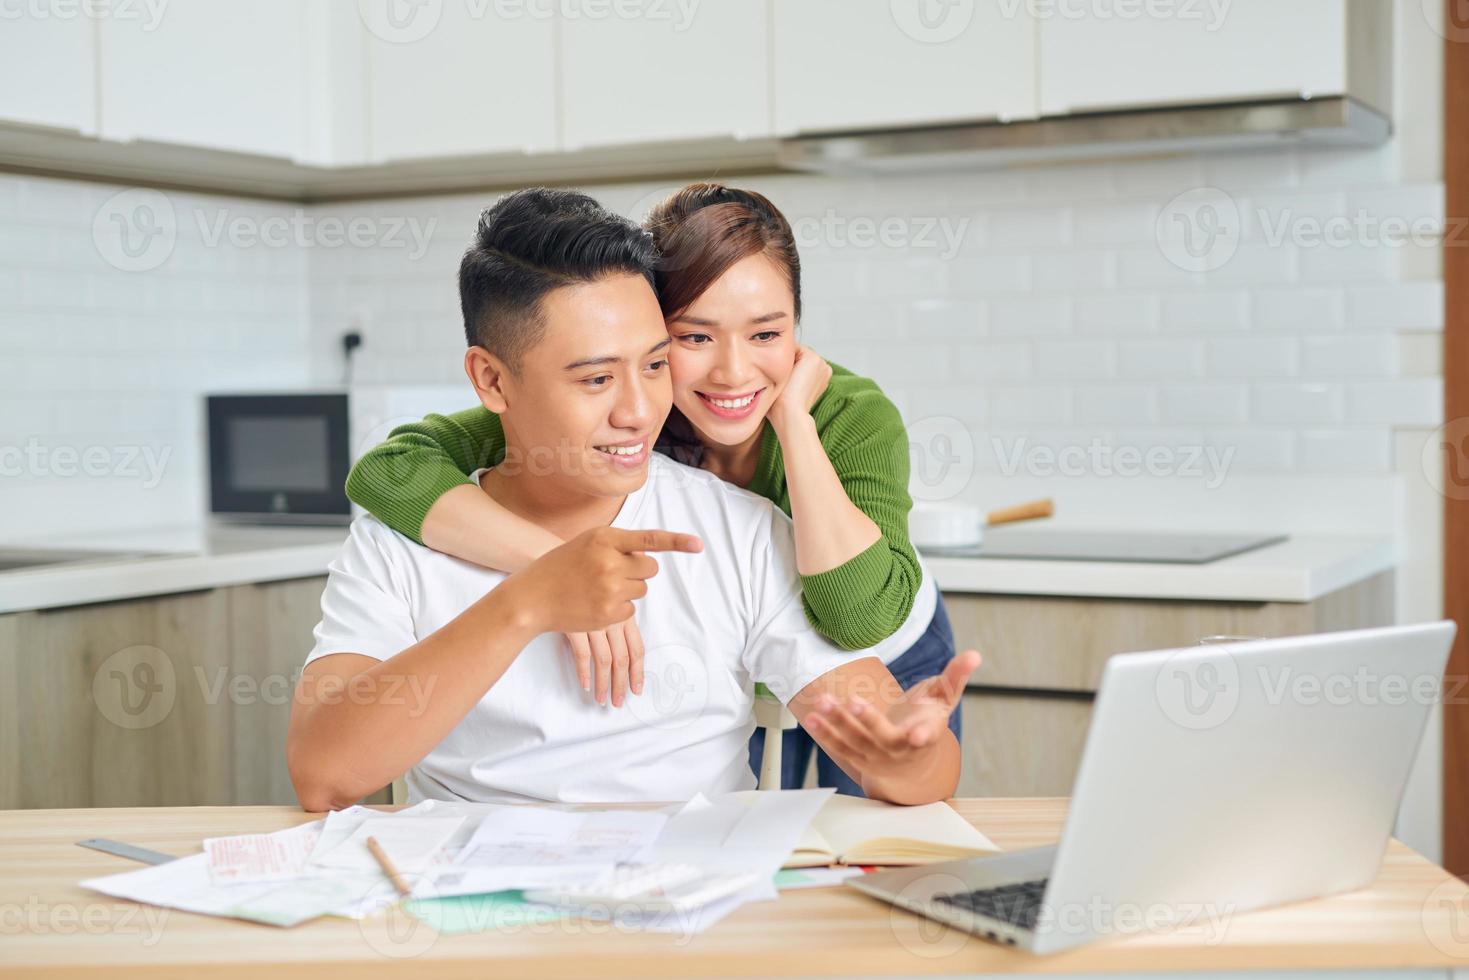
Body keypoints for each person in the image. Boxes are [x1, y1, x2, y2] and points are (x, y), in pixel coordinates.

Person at [285, 188, 979, 810]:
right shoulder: (401, 542)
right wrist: (526, 600)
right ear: (491, 382)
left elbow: (917, 770)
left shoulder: (738, 528)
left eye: (653, 366)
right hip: (480, 925)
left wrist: (908, 755)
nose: (639, 412)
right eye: (594, 380)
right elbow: (324, 774)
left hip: (692, 915)